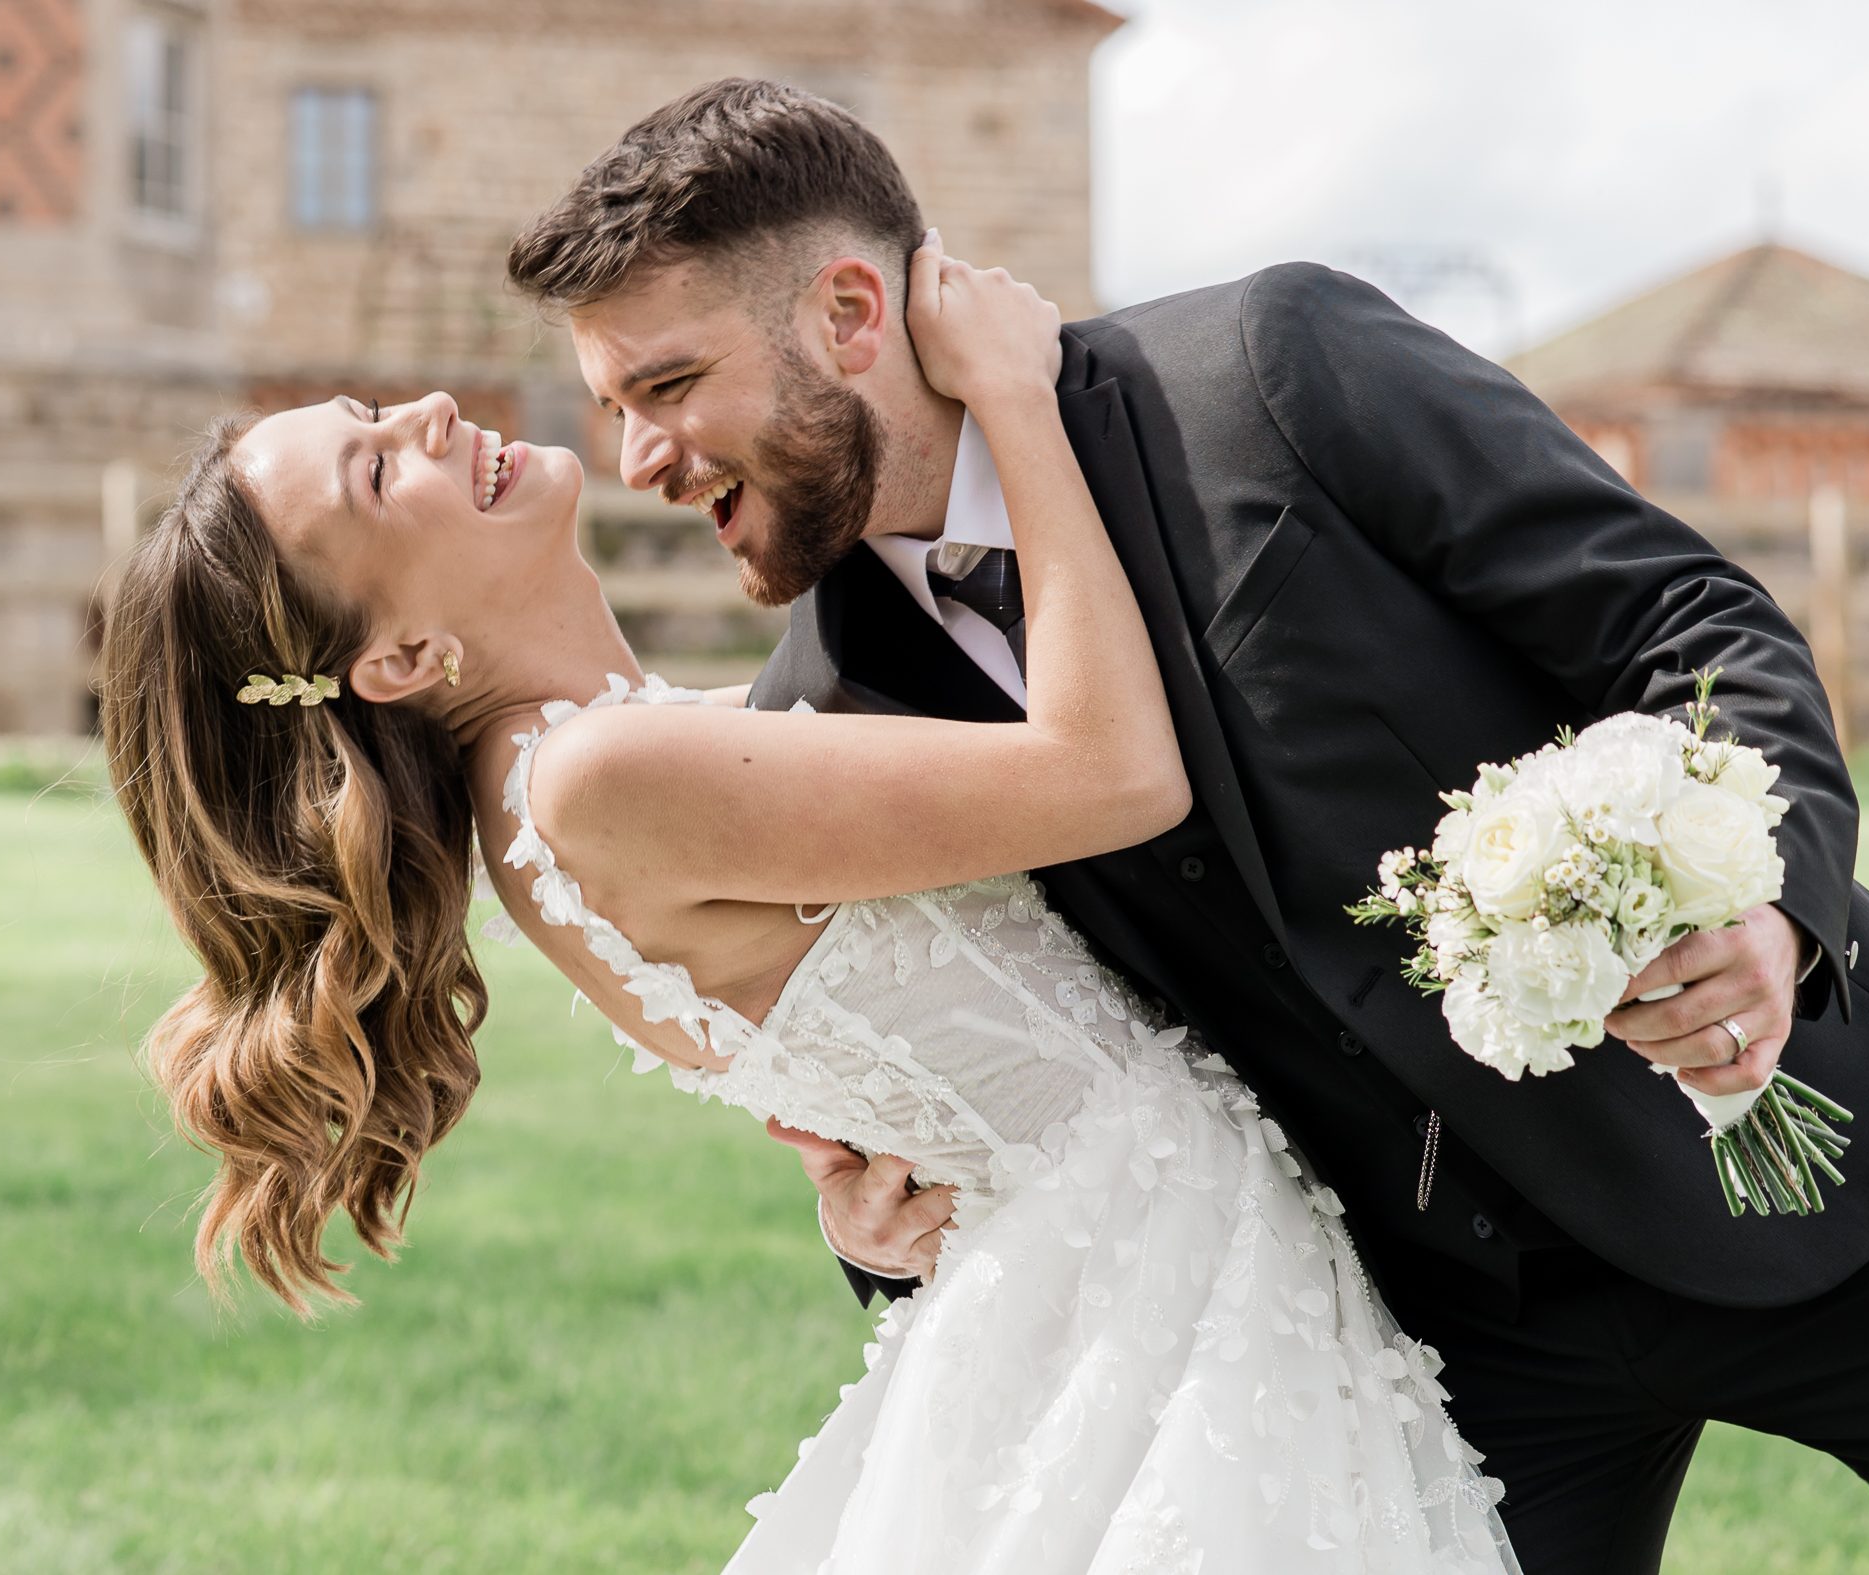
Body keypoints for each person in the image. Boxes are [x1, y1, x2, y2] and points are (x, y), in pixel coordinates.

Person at [499, 78, 1869, 1573]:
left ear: (849, 314)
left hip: (1813, 1170)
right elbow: (980, 1055)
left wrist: (1770, 912)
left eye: (669, 387)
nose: (640, 459)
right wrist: (874, 1225)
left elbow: (1690, 627)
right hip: (1451, 1349)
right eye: (616, 408)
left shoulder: (1263, 368)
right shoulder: (820, 713)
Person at [100, 233, 1518, 1568]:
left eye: (372, 410)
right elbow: (1114, 775)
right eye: (374, 472)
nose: (423, 414)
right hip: (1160, 1288)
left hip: (1116, 1267)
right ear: (404, 658)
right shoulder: (597, 780)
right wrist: (1015, 397)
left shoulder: (588, 776)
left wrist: (855, 1199)